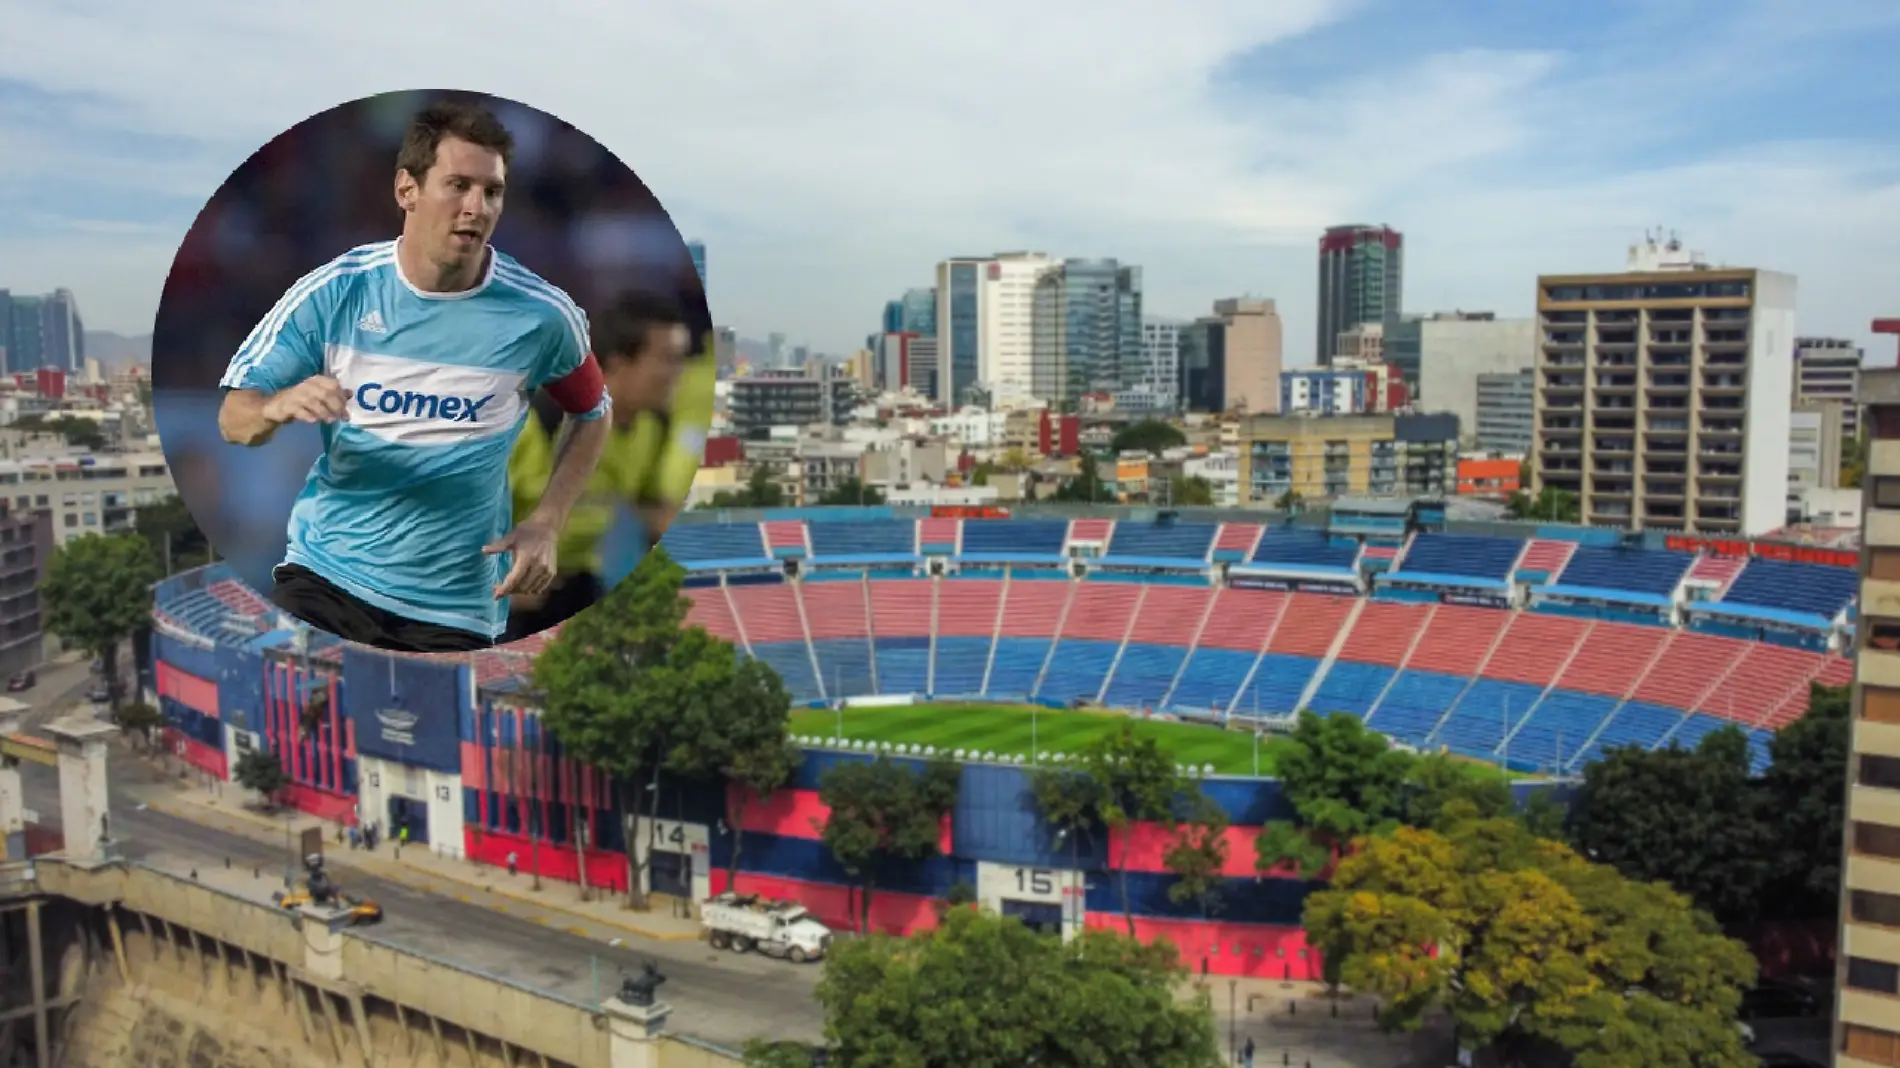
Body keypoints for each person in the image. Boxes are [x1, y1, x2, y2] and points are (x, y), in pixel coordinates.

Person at [216, 101, 610, 652]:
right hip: (328, 577)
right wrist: (275, 406)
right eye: (458, 185)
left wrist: (547, 522)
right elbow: (235, 420)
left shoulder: (543, 316)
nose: (476, 207)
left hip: (457, 607)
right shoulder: (334, 292)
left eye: (491, 192)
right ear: (407, 190)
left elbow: (592, 412)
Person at [503, 291, 693, 641]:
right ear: (618, 364)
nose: (679, 374)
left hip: (577, 582)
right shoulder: (536, 425)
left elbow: (651, 507)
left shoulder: (653, 427)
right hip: (506, 591)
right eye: (668, 359)